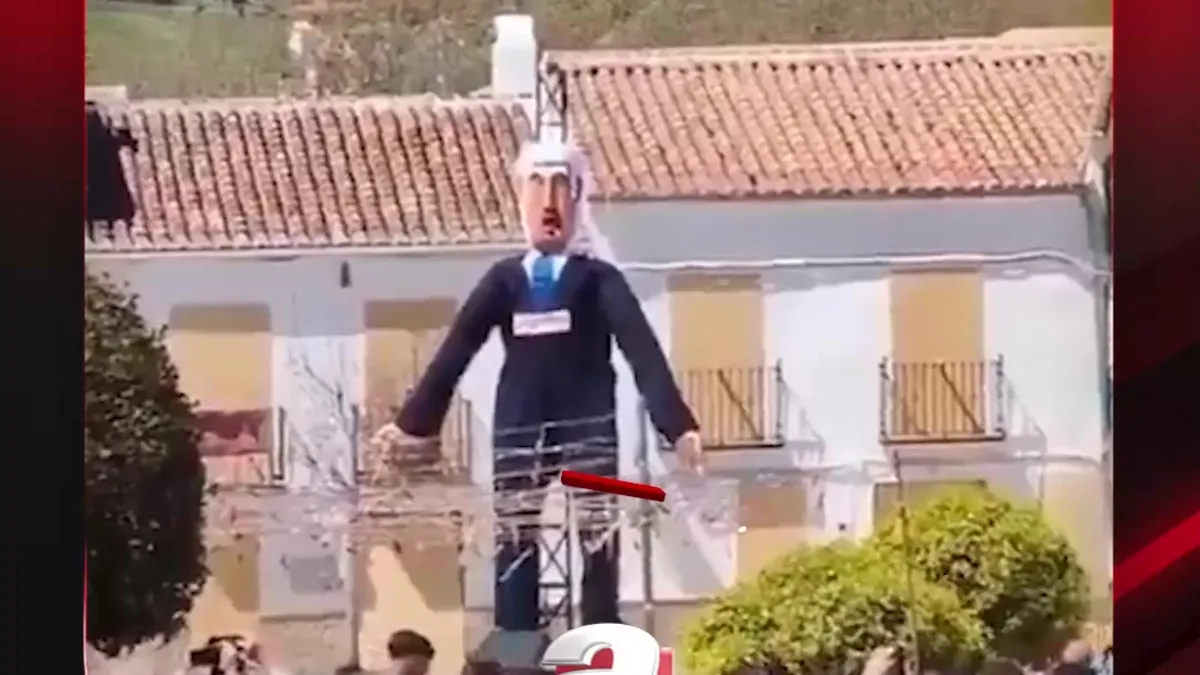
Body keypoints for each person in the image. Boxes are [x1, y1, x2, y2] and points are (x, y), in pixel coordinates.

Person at [373, 135, 704, 631]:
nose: (549, 202)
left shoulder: (598, 279)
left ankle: (599, 632)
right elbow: (457, 348)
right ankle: (516, 634)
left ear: (578, 199)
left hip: (589, 425)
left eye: (561, 186)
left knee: (598, 532)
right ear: (520, 198)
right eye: (537, 185)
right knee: (515, 531)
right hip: (519, 425)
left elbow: (642, 350)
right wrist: (414, 425)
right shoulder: (504, 280)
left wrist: (677, 426)